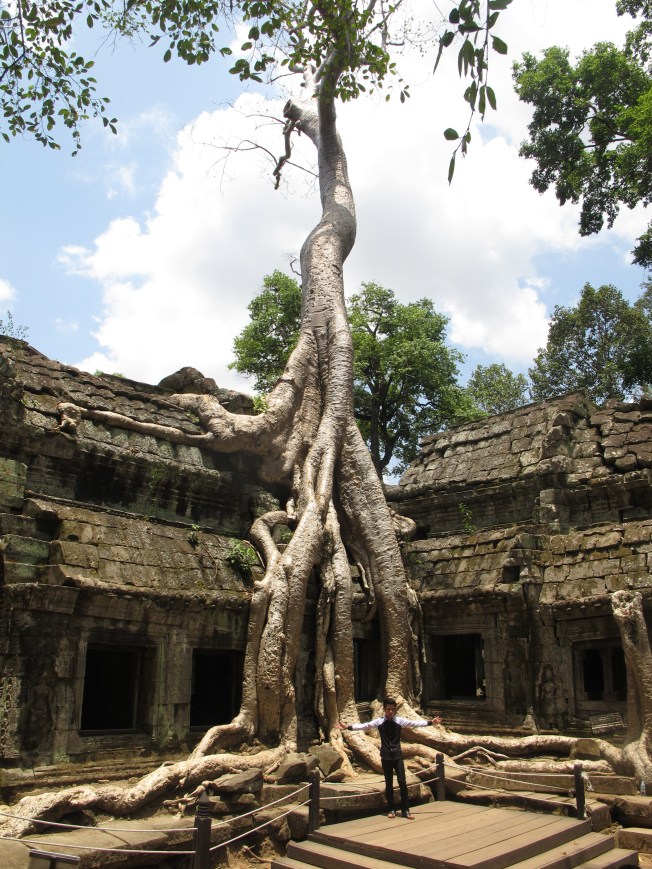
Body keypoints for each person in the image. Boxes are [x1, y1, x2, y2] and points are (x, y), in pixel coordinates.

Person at [338, 697, 442, 819]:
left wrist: (431, 722)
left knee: (402, 782)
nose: (391, 712)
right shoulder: (379, 722)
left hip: (398, 756)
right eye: (388, 709)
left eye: (392, 709)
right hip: (386, 756)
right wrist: (348, 727)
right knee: (389, 783)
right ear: (384, 709)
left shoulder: (399, 721)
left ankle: (405, 810)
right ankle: (391, 809)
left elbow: (414, 723)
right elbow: (365, 725)